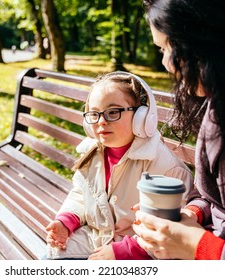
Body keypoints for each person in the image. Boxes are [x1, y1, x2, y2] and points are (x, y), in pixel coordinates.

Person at [133, 0, 225, 260]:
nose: (166, 63)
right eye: (160, 49)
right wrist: (191, 214)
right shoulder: (222, 101)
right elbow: (212, 196)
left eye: (168, 48)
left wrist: (202, 248)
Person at [45, 71, 194, 260]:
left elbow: (170, 229)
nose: (101, 121)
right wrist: (66, 222)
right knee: (52, 256)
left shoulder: (165, 168)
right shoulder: (93, 154)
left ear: (142, 117)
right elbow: (81, 194)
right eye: (94, 114)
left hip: (142, 252)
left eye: (113, 112)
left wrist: (125, 251)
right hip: (98, 238)